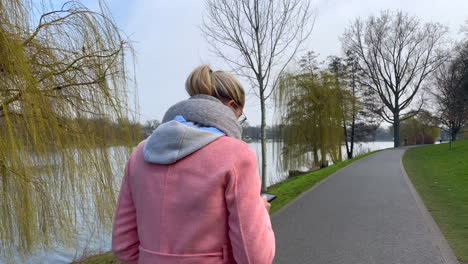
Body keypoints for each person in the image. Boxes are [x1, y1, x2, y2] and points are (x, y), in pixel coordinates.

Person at [111, 65, 275, 264]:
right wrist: (260, 211)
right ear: (232, 106)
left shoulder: (139, 155)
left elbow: (124, 246)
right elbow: (254, 258)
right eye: (240, 117)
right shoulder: (237, 154)